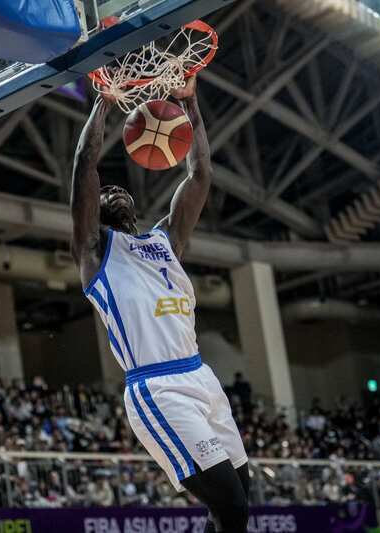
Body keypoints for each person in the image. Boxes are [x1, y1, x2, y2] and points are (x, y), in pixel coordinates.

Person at [71, 76, 250, 532]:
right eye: (105, 192)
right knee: (232, 506)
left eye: (119, 189)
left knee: (238, 500)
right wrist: (105, 103)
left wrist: (189, 103)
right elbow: (85, 166)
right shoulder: (95, 252)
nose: (112, 191)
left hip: (201, 376)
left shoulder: (165, 240)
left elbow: (200, 174)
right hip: (158, 388)